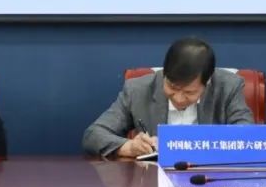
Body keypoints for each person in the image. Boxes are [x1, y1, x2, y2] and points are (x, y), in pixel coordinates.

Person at [81, 37, 253, 158]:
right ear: (164, 74)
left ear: (207, 82)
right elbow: (94, 134)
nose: (178, 98)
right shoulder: (138, 90)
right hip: (153, 183)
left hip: (210, 181)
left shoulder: (228, 87)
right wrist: (128, 147)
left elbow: (248, 134)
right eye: (172, 87)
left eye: (189, 92)